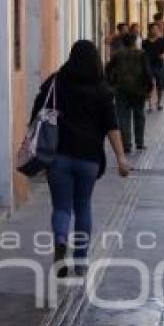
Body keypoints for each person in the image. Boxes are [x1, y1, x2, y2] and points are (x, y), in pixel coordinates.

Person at [30, 40, 131, 277]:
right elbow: (112, 126)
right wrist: (121, 158)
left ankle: (61, 240)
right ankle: (81, 259)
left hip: (58, 156)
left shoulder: (56, 82)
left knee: (62, 207)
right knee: (83, 206)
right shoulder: (102, 89)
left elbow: (37, 110)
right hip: (89, 159)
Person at [107, 33, 154, 153]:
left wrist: (111, 84)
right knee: (139, 116)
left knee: (123, 118)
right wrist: (149, 88)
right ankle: (140, 143)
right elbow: (147, 72)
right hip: (139, 90)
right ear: (134, 42)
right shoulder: (142, 54)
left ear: (123, 42)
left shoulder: (117, 55)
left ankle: (126, 145)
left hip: (121, 90)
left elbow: (108, 69)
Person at [142, 23, 164, 111]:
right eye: (153, 29)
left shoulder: (162, 41)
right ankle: (150, 104)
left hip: (158, 64)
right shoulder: (145, 42)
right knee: (149, 84)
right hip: (148, 64)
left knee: (159, 84)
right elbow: (142, 52)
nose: (155, 31)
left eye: (156, 29)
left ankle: (159, 102)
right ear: (149, 30)